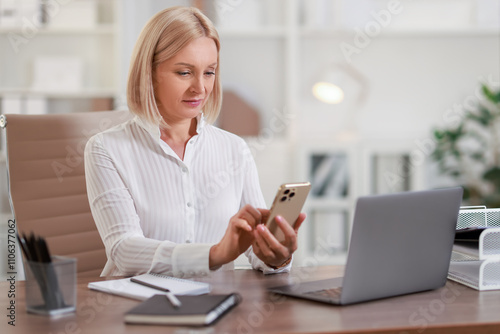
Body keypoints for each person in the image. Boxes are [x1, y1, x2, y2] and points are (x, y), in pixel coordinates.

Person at [84, 6, 305, 277]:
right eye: (184, 72)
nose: (200, 88)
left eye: (209, 72)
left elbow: (255, 251)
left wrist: (274, 256)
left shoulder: (234, 149)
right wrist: (214, 255)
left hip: (215, 307)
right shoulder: (106, 149)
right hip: (137, 308)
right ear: (150, 73)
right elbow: (124, 250)